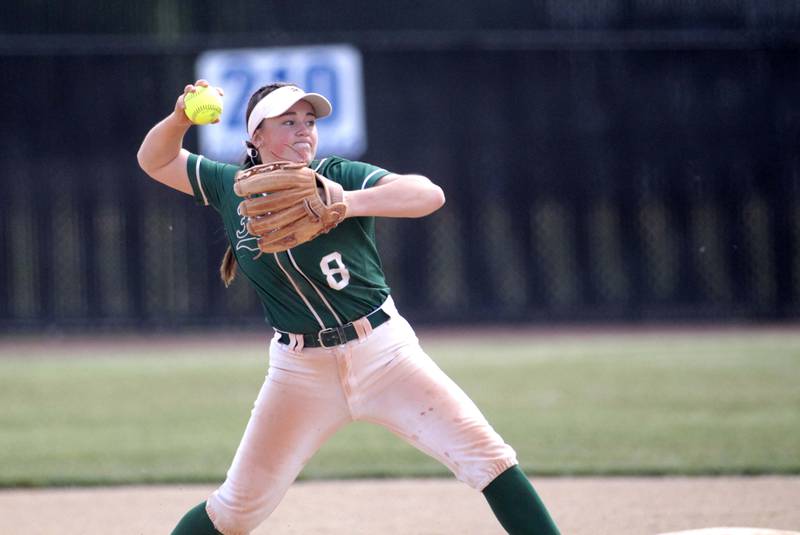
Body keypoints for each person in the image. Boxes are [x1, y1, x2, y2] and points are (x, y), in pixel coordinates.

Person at [137, 79, 560, 535]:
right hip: (299, 371)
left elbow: (427, 194)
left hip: (384, 352)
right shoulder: (228, 187)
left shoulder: (339, 173)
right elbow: (155, 160)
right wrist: (181, 117)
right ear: (256, 136)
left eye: (310, 121)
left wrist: (343, 201)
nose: (303, 130)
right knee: (235, 510)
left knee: (488, 457)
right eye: (288, 121)